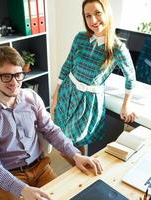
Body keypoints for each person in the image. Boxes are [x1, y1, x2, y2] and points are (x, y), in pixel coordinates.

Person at [0, 46, 103, 200]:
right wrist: (23, 190)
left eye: (18, 75)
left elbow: (51, 130)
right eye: (6, 76)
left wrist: (75, 155)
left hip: (41, 167)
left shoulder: (31, 97)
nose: (14, 82)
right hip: (9, 176)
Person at [51, 0, 136, 156]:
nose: (93, 21)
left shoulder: (118, 48)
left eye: (97, 13)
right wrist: (56, 93)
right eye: (88, 16)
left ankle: (81, 168)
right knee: (62, 141)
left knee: (75, 143)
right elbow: (68, 64)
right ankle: (79, 169)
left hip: (88, 101)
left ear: (107, 13)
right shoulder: (80, 38)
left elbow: (131, 77)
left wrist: (126, 105)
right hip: (67, 91)